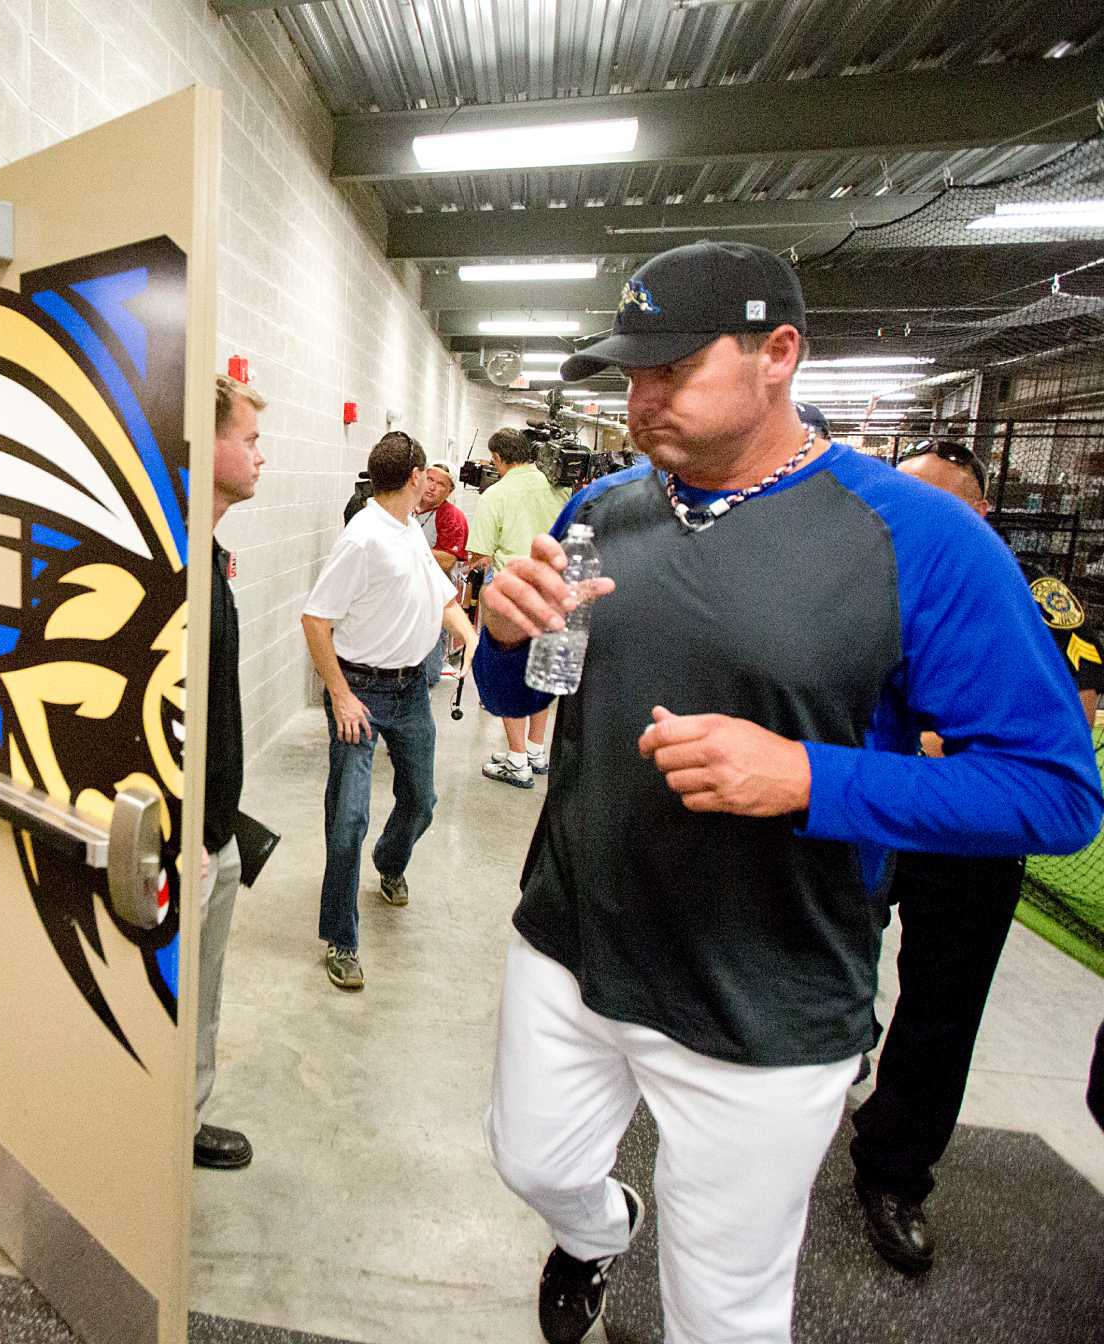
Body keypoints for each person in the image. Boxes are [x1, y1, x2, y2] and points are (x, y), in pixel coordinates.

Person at [473, 240, 1101, 1344]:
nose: (639, 399)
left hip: (761, 993)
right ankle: (594, 1228)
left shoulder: (920, 540)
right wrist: (496, 633)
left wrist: (811, 776)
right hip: (570, 937)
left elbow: (1053, 792)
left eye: (670, 368)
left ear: (777, 354)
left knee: (721, 1309)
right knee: (531, 1161)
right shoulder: (604, 510)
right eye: (627, 373)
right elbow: (517, 682)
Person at [847, 437, 1104, 1271]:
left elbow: (1077, 712)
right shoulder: (856, 569)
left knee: (944, 1003)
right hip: (865, 805)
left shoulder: (1034, 596)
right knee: (819, 951)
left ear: (982, 511)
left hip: (972, 834)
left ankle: (895, 1170)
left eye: (942, 500)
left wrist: (949, 744)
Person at [302, 432, 479, 991]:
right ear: (415, 477)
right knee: (348, 817)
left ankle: (390, 860)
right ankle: (341, 939)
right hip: (360, 694)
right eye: (428, 475)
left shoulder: (406, 531)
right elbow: (315, 620)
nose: (432, 483)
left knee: (421, 801)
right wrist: (339, 695)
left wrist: (470, 636)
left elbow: (443, 596)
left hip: (409, 697)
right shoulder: (363, 540)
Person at [194, 374, 264, 1171]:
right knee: (184, 997)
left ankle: (184, 1115)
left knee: (203, 997)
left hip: (216, 828)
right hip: (188, 839)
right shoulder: (174, 560)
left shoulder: (209, 554)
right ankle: (165, 1127)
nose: (259, 456)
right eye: (248, 440)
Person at [467, 427, 571, 788]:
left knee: (510, 672)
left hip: (512, 596)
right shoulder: (560, 488)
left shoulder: (495, 494)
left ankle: (516, 759)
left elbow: (480, 555)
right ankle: (536, 750)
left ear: (497, 458)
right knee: (541, 672)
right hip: (554, 592)